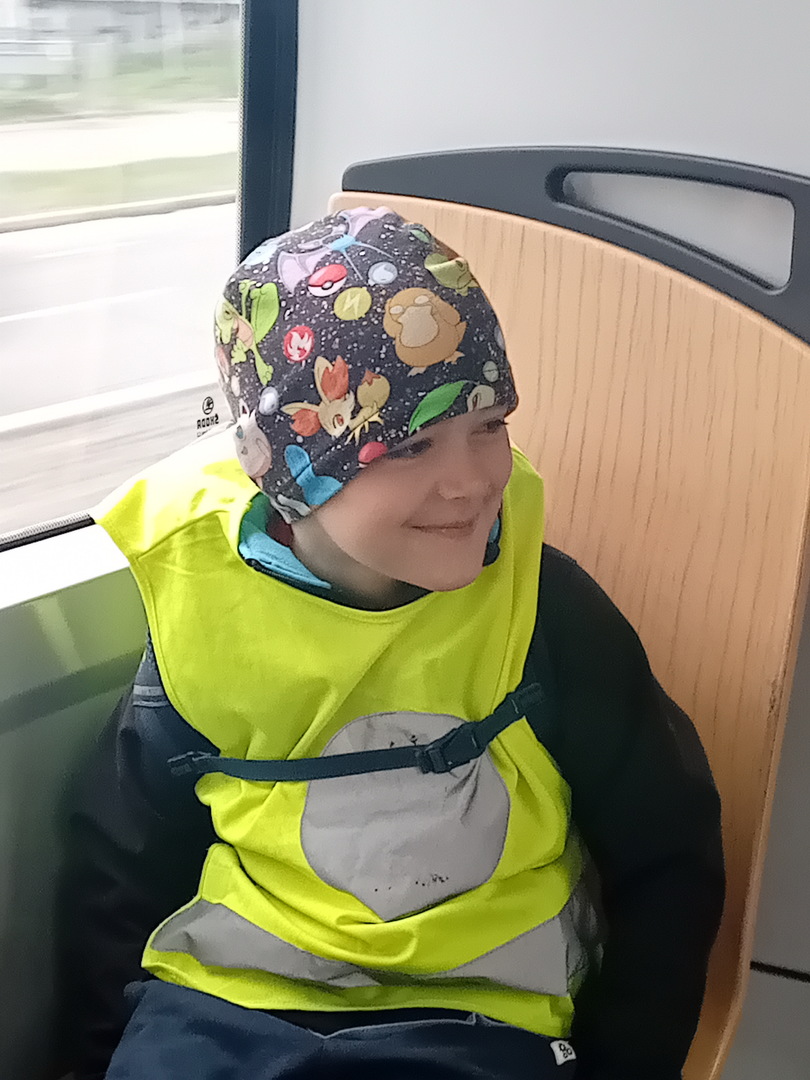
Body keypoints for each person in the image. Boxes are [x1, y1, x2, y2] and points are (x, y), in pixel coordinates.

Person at [62, 208, 724, 1080]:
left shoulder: (541, 610)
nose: (471, 481)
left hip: (477, 1016)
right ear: (288, 472)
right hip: (224, 1012)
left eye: (490, 424)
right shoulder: (206, 616)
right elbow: (124, 867)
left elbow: (666, 846)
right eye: (410, 445)